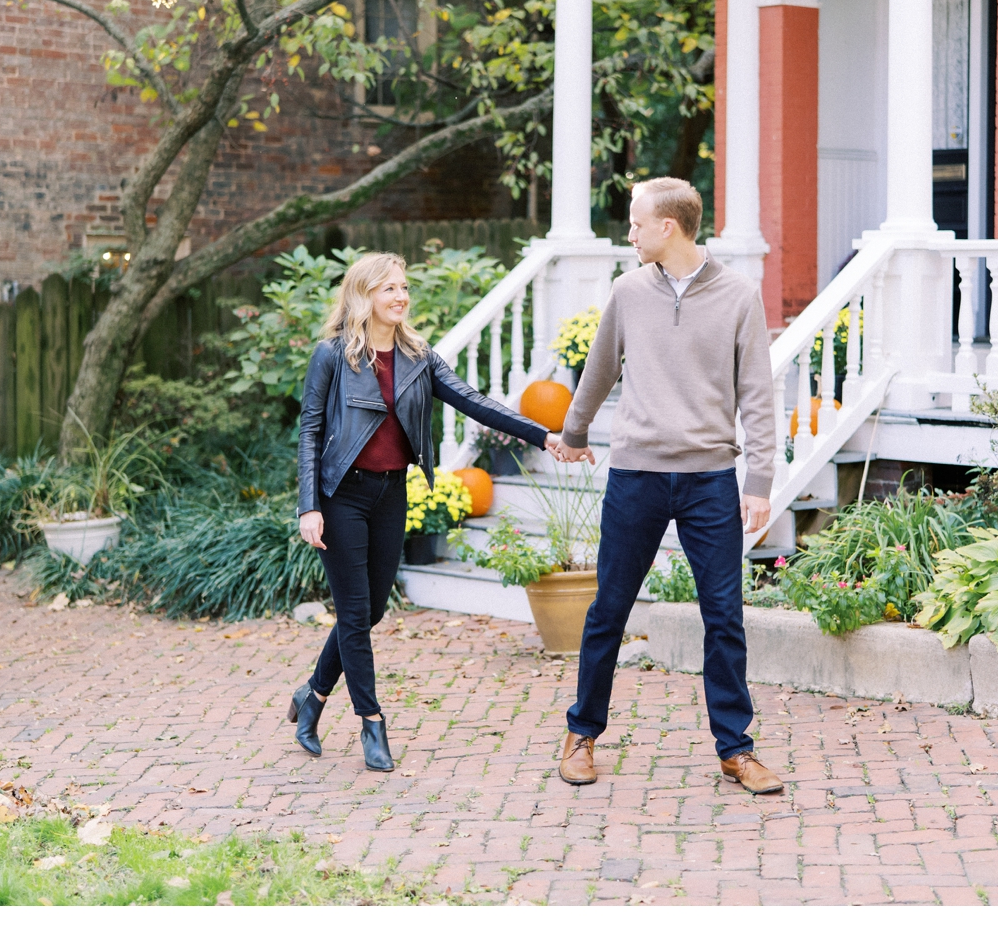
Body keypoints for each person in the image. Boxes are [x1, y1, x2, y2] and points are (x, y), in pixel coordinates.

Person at [553, 177, 785, 794]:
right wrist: (573, 433)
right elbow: (599, 369)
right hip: (637, 474)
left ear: (669, 227)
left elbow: (758, 396)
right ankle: (582, 734)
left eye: (635, 223)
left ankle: (736, 749)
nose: (628, 234)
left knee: (725, 616)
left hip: (710, 477)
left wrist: (758, 478)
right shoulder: (627, 291)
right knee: (609, 608)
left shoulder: (739, 295)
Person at [290, 252, 561, 771]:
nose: (400, 296)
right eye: (388, 288)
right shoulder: (333, 355)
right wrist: (309, 505)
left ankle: (313, 696)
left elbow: (474, 401)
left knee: (370, 611)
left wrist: (543, 434)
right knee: (354, 612)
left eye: (403, 287)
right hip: (340, 495)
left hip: (392, 493)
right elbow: (310, 431)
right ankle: (372, 722)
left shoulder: (419, 356)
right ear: (363, 295)